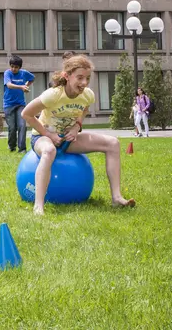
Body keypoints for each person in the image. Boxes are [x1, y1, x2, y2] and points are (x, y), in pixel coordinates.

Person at [21, 55, 136, 215]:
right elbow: (26, 114)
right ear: (67, 76)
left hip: (68, 139)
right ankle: (38, 205)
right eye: (80, 78)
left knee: (113, 143)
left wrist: (77, 126)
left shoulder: (88, 95)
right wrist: (48, 134)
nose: (84, 83)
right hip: (42, 137)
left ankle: (116, 197)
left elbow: (84, 109)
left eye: (87, 78)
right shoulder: (53, 95)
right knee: (49, 151)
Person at [3, 55, 35, 153]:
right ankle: (11, 146)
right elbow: (9, 85)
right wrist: (21, 87)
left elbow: (32, 78)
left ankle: (22, 148)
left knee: (22, 125)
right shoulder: (7, 73)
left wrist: (26, 85)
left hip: (20, 104)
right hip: (8, 104)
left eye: (16, 67)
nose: (14, 69)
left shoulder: (24, 73)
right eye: (12, 66)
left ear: (20, 67)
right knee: (12, 127)